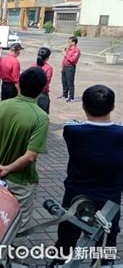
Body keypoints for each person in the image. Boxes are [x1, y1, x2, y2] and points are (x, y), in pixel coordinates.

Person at [52, 85, 122, 266]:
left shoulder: (72, 130)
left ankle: (59, 263)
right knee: (107, 243)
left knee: (67, 239)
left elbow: (73, 122)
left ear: (83, 105)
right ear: (113, 106)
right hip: (110, 201)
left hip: (76, 198)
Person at [0, 67, 49, 235]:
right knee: (18, 227)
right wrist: (8, 168)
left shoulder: (1, 106)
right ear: (43, 88)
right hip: (21, 181)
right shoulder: (41, 117)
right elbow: (30, 157)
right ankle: (11, 258)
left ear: (19, 84)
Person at [59, 36, 81, 102]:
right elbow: (65, 59)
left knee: (70, 82)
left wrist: (65, 54)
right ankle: (64, 94)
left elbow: (72, 60)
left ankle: (71, 97)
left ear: (74, 42)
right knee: (64, 81)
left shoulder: (76, 50)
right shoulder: (68, 49)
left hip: (70, 67)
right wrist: (62, 66)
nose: (68, 43)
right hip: (65, 66)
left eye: (69, 41)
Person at [33, 47, 53, 114]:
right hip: (42, 94)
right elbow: (46, 82)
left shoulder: (33, 65)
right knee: (43, 113)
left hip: (32, 93)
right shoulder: (48, 68)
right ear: (47, 58)